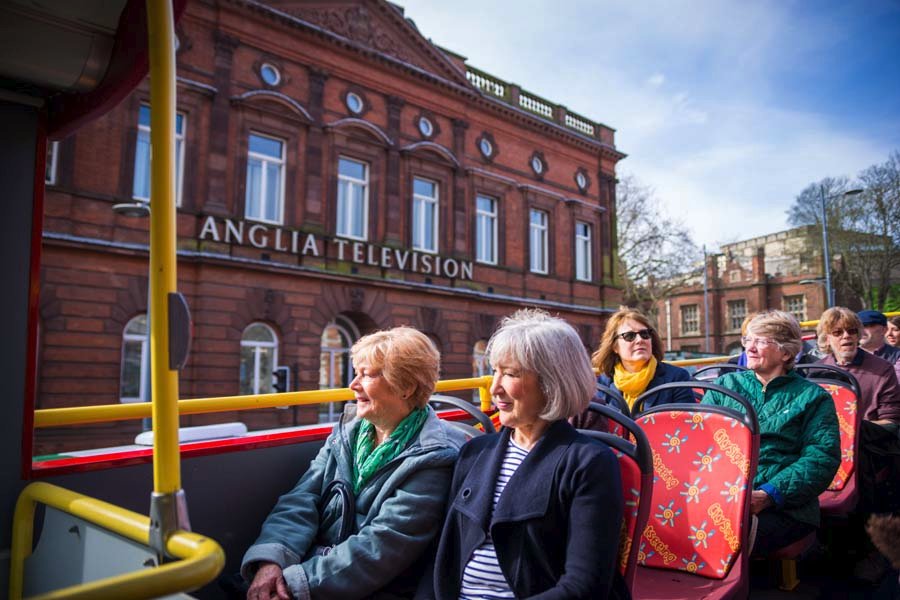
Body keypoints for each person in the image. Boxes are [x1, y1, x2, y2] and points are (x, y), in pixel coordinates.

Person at [242, 327, 467, 600]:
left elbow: (382, 546)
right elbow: (302, 499)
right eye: (356, 372)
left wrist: (293, 585)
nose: (353, 384)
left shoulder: (434, 456)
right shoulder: (347, 433)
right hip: (314, 572)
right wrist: (271, 561)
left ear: (406, 387)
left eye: (368, 374)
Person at [430, 309, 628, 599]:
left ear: (552, 383)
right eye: (494, 371)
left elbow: (584, 585)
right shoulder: (474, 453)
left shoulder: (589, 463)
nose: (495, 388)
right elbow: (442, 556)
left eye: (510, 374)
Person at [702, 310, 840, 556]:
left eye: (761, 342)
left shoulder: (813, 397)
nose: (750, 349)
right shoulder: (726, 386)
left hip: (785, 505)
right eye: (748, 340)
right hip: (723, 494)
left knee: (726, 534)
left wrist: (769, 494)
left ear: (786, 353)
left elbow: (821, 458)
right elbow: (701, 441)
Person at [571, 308, 693, 430]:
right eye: (629, 336)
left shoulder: (676, 378)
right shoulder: (600, 385)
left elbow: (686, 428)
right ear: (614, 347)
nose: (640, 340)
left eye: (645, 334)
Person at [816, 307, 900, 428]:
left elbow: (891, 421)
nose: (846, 336)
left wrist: (850, 431)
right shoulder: (817, 370)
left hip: (868, 443)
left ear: (858, 335)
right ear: (827, 338)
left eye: (851, 331)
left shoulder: (883, 369)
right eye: (837, 332)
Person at [859, 309, 900, 383]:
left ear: (884, 330)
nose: (862, 331)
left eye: (867, 326)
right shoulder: (846, 355)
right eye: (858, 327)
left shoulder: (897, 356)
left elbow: (894, 386)